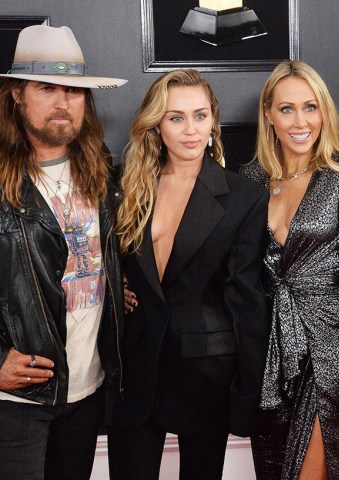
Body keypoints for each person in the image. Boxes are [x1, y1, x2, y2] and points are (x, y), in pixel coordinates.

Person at [108, 69, 270, 480]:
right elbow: (97, 262)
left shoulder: (243, 197)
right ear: (156, 124)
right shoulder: (125, 186)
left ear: (213, 120)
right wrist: (119, 286)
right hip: (135, 367)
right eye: (176, 118)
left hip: (208, 376)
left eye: (200, 116)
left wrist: (249, 392)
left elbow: (247, 300)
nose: (190, 129)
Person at [0, 24, 127, 480]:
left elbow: (93, 258)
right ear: (16, 96)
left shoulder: (99, 165)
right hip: (12, 403)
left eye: (74, 90)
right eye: (47, 88)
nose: (63, 103)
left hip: (85, 394)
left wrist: (118, 288)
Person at [239, 60, 339, 480]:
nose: (301, 121)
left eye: (310, 107)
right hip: (269, 360)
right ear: (268, 115)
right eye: (287, 108)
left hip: (327, 357)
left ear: (324, 112)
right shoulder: (251, 180)